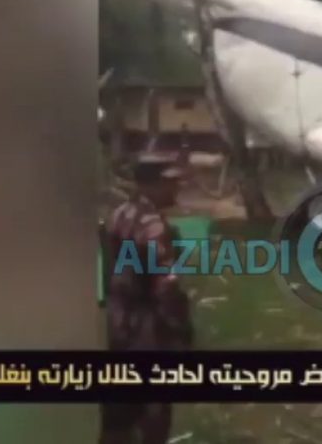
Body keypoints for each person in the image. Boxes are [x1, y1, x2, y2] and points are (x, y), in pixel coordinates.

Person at [99, 154, 193, 444]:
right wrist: (181, 329)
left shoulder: (119, 214)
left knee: (118, 412)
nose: (176, 187)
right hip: (148, 330)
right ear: (152, 184)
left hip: (117, 324)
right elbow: (166, 286)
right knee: (155, 410)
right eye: (170, 182)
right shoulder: (154, 227)